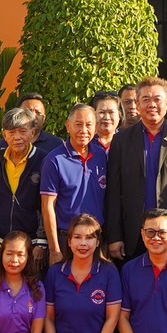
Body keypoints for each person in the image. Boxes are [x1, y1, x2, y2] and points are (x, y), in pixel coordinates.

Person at [106, 77, 167, 261]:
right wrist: (114, 236)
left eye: (157, 99)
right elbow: (113, 192)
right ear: (138, 104)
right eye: (146, 99)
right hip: (133, 235)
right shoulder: (121, 141)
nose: (152, 105)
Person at [0, 107, 51, 271]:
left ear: (32, 133)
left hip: (32, 242)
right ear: (4, 135)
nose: (17, 137)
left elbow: (47, 203)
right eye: (11, 132)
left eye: (22, 131)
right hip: (0, 241)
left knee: (32, 284)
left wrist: (42, 241)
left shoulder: (44, 160)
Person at [40, 103, 107, 254]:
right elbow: (47, 207)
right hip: (66, 239)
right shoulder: (54, 160)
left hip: (97, 238)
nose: (83, 130)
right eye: (78, 124)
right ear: (68, 126)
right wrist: (54, 249)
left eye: (89, 125)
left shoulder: (101, 155)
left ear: (96, 128)